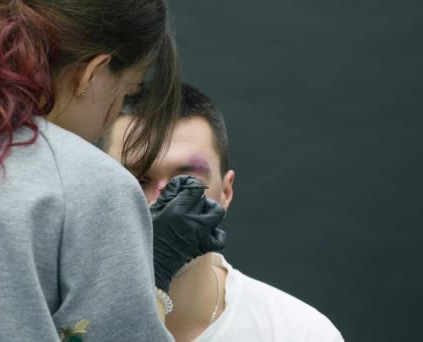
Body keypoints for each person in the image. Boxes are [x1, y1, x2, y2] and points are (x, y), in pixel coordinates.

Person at [0, 1, 225, 341]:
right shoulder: (87, 182)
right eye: (126, 91)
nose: (111, 118)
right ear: (92, 73)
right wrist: (152, 279)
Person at [104, 83, 345, 342]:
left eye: (187, 182)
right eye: (138, 181)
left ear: (225, 193)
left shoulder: (298, 332)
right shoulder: (60, 317)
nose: (165, 203)